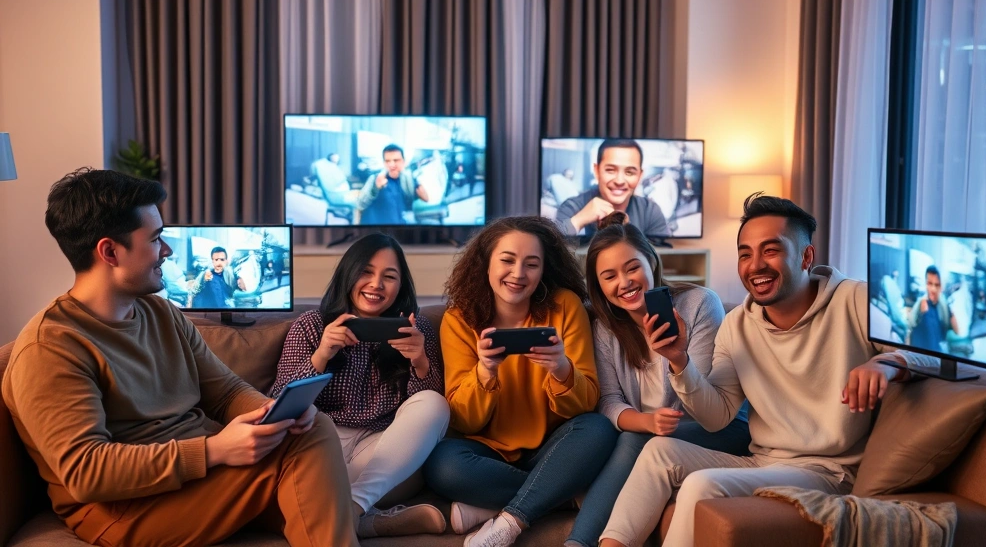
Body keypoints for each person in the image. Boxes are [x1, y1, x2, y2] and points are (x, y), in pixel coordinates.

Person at [1, 168, 358, 546]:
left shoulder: (161, 313)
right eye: (155, 239)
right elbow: (87, 472)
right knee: (307, 444)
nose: (167, 251)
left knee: (306, 434)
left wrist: (272, 413)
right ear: (109, 251)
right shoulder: (50, 348)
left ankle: (366, 523)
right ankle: (359, 522)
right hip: (123, 509)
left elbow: (225, 392)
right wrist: (215, 450)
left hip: (196, 481)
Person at [598, 193, 935, 547]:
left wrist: (884, 363)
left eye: (770, 250)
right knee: (657, 452)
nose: (755, 265)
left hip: (829, 472)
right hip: (762, 461)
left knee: (702, 483)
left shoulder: (854, 300)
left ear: (806, 256)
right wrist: (680, 361)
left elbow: (936, 354)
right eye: (746, 254)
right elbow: (717, 417)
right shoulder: (738, 325)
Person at [422, 216, 618, 547]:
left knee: (598, 430)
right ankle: (564, 494)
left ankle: (504, 516)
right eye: (508, 260)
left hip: (554, 445)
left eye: (532, 264)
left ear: (543, 270)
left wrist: (560, 368)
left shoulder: (565, 307)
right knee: (442, 465)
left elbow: (587, 404)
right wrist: (485, 372)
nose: (518, 274)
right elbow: (463, 419)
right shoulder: (458, 319)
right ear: (486, 264)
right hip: (487, 449)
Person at [565, 213, 751, 547]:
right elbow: (607, 400)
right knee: (627, 436)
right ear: (599, 286)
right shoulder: (606, 328)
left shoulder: (698, 305)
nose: (624, 282)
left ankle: (577, 542)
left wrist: (673, 358)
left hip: (719, 427)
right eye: (609, 276)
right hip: (651, 432)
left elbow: (708, 402)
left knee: (636, 441)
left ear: (651, 261)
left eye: (632, 267)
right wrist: (646, 420)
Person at [271, 233, 449, 539]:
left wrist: (419, 360)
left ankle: (352, 508)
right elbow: (278, 401)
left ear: (400, 286)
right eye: (366, 272)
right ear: (349, 274)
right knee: (296, 478)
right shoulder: (311, 325)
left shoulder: (416, 330)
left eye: (389, 276)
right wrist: (322, 354)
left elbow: (430, 415)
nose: (376, 284)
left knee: (435, 403)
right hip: (325, 447)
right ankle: (369, 522)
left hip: (387, 451)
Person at [555, 139, 669, 238]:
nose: (619, 181)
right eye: (610, 170)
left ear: (640, 175)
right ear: (596, 171)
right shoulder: (572, 207)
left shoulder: (649, 211)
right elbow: (550, 249)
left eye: (629, 172)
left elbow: (660, 258)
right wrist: (579, 220)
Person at [357, 144, 428, 225]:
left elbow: (425, 198)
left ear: (403, 162)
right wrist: (375, 188)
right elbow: (360, 204)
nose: (392, 165)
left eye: (396, 160)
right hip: (376, 231)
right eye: (388, 161)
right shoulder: (375, 179)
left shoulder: (407, 180)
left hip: (399, 231)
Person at [908, 265, 960, 353]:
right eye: (930, 284)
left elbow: (957, 331)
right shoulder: (922, 304)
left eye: (937, 285)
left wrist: (950, 311)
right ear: (926, 284)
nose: (933, 289)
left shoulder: (944, 306)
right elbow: (910, 330)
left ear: (941, 286)